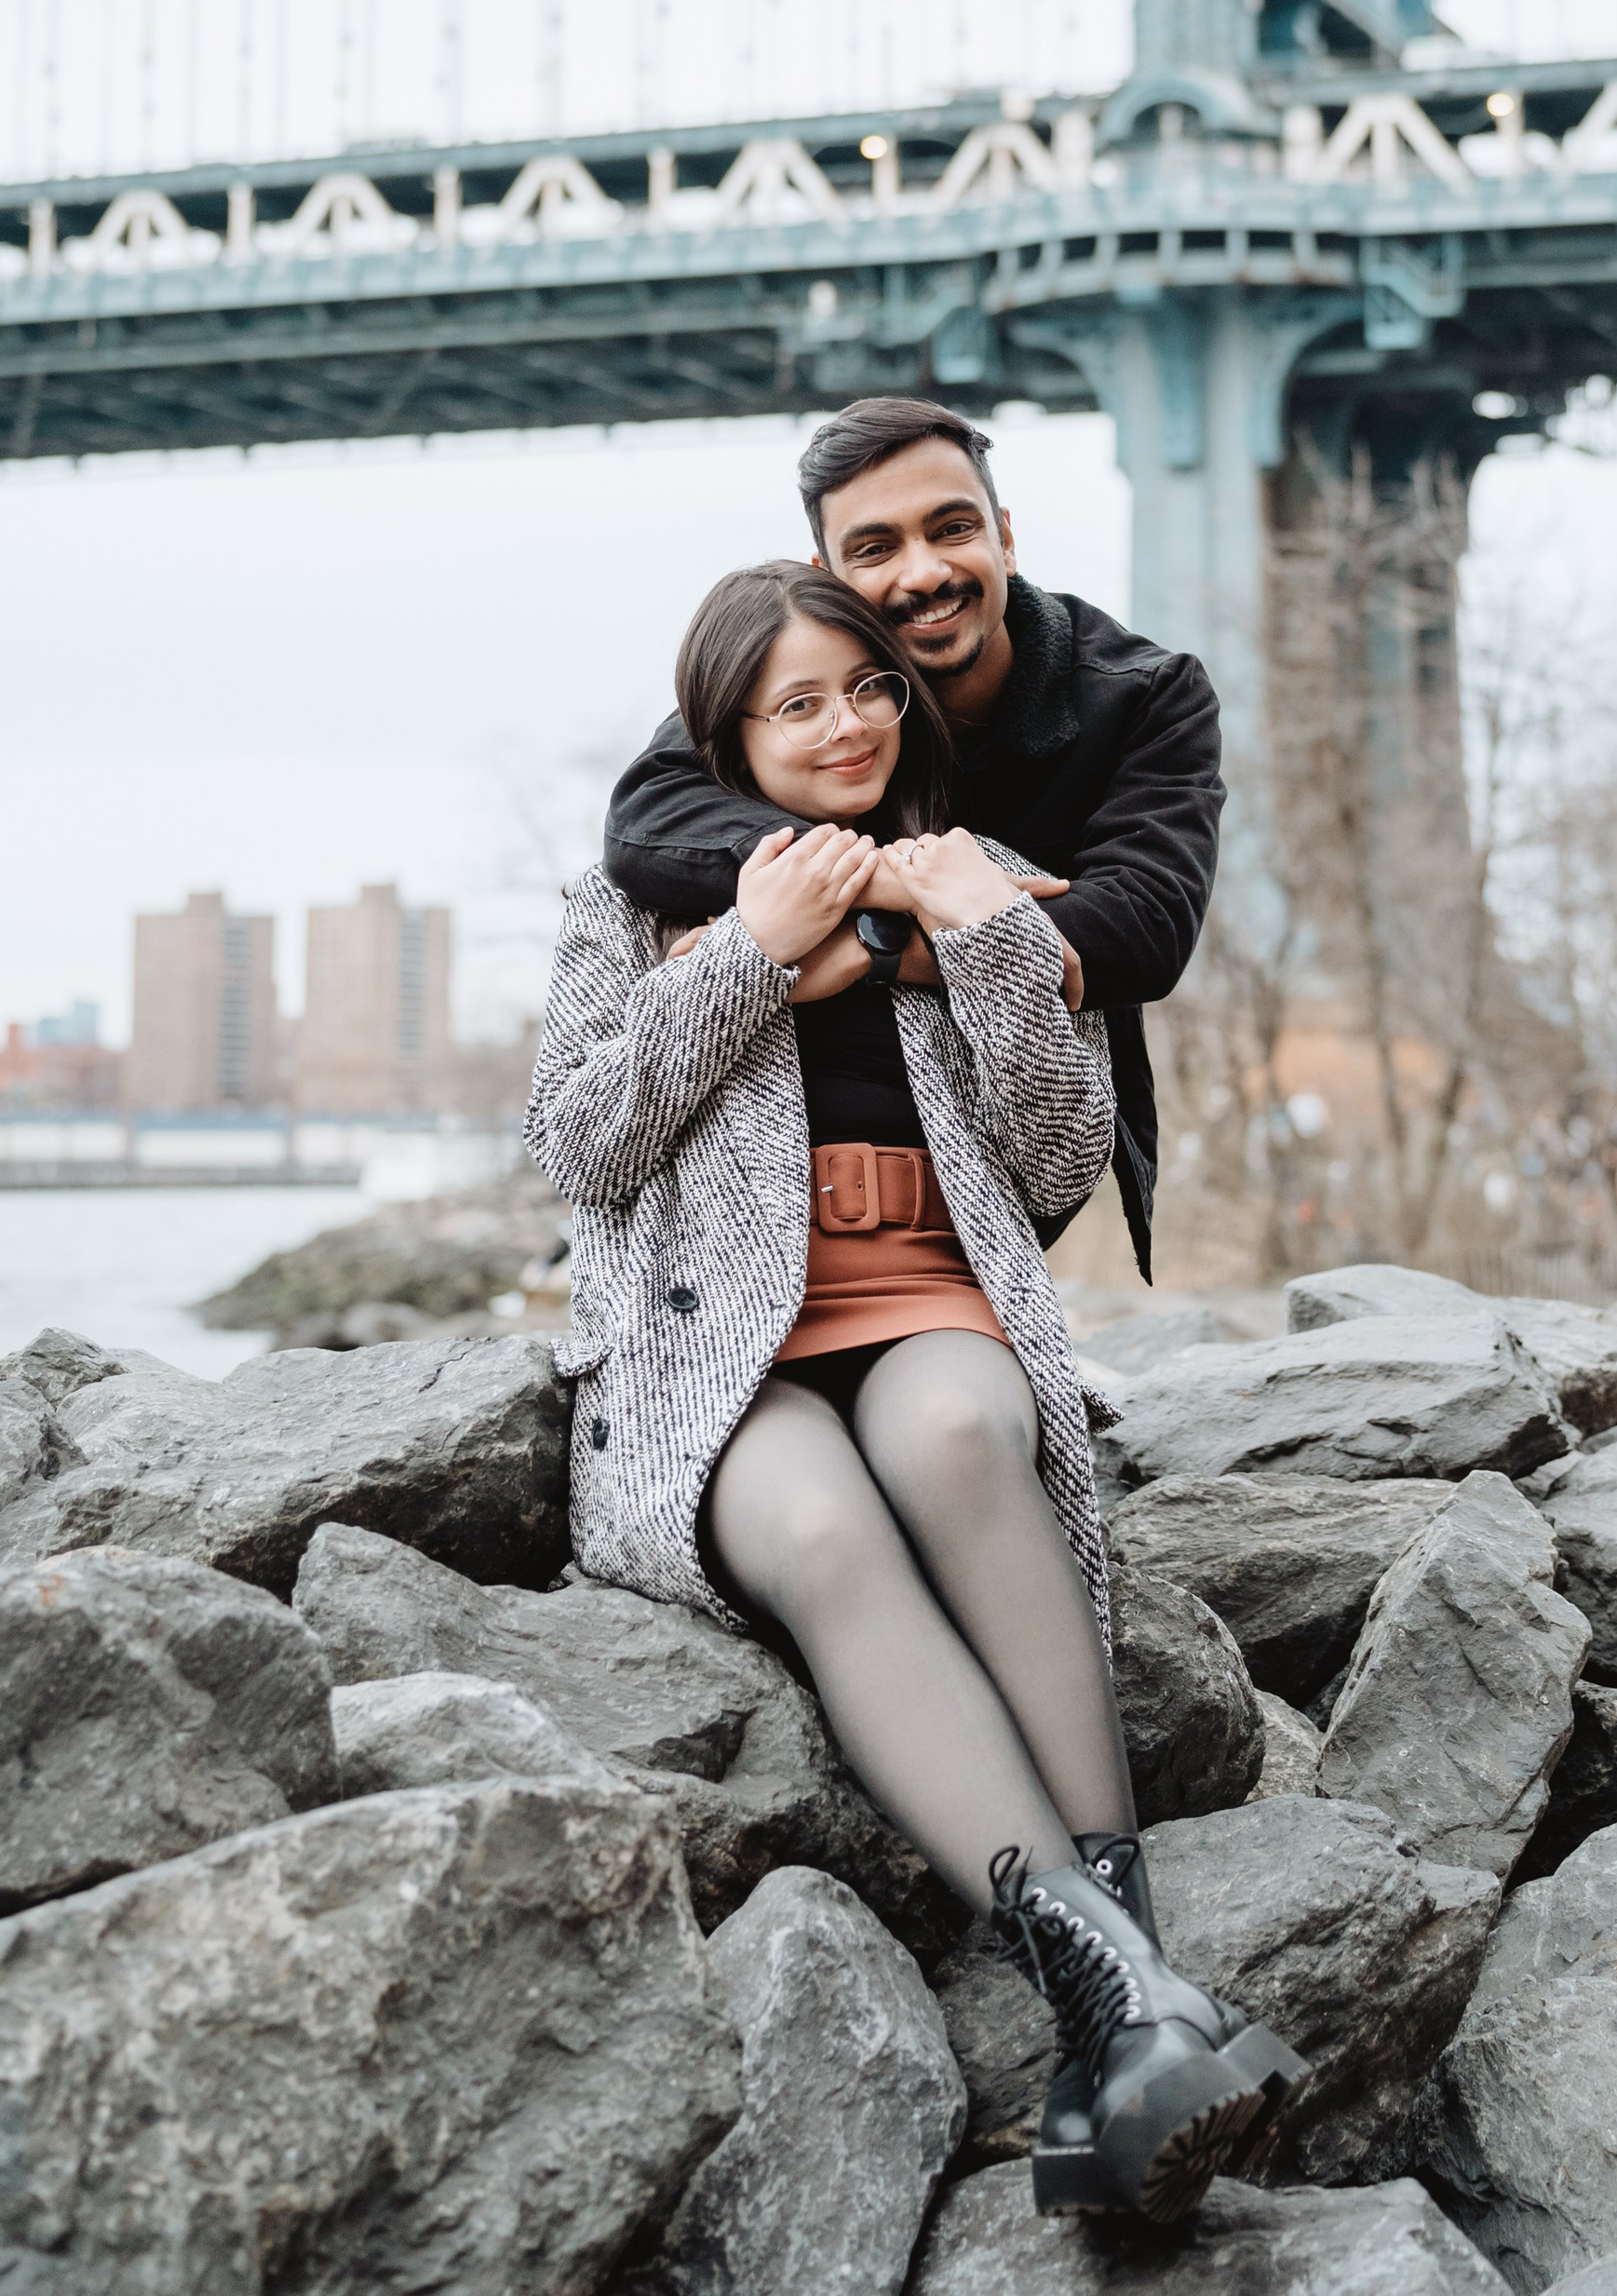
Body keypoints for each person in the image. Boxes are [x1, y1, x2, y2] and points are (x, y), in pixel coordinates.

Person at [530, 558, 1300, 2225]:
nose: (846, 725)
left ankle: (1123, 2012)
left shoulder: (986, 876)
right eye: (796, 703)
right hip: (713, 1346)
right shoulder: (638, 908)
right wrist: (750, 953)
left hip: (932, 1293)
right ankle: (1134, 2013)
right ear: (727, 730)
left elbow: (1055, 1156)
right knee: (813, 1529)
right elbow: (579, 1144)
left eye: (869, 689)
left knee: (958, 1435)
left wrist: (1000, 948)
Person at [602, 397, 1225, 1281]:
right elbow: (644, 822)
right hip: (767, 1201)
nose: (923, 572)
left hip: (1011, 1148)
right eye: (875, 548)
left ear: (1005, 536)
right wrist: (903, 887)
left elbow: (1139, 933)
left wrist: (864, 946)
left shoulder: (1143, 696)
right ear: (826, 577)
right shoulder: (806, 684)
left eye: (953, 528)